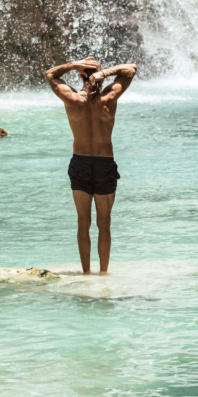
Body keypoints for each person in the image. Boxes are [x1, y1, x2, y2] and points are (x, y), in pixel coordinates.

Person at [44, 56, 137, 274]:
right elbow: (131, 69)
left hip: (80, 162)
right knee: (104, 223)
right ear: (99, 77)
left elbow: (50, 74)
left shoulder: (71, 98)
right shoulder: (109, 98)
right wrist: (103, 73)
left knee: (82, 222)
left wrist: (72, 65)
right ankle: (103, 272)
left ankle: (86, 273)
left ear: (79, 75)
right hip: (104, 164)